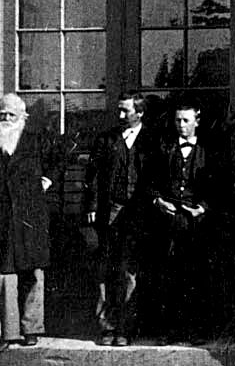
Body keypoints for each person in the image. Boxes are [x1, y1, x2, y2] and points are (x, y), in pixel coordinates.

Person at [0, 93, 61, 349]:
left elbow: (61, 158)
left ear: (23, 117)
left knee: (33, 272)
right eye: (3, 115)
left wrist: (48, 180)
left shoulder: (36, 141)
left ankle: (32, 328)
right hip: (1, 218)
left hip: (31, 216)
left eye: (12, 115)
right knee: (6, 274)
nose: (7, 119)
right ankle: (9, 332)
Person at [84, 91, 156, 346]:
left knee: (129, 271)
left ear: (140, 113)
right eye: (119, 110)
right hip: (110, 211)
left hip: (139, 215)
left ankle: (126, 327)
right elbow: (92, 175)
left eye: (126, 110)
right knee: (106, 269)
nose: (120, 114)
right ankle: (106, 326)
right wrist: (92, 204)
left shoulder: (152, 140)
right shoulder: (106, 140)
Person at [148, 100, 216, 346]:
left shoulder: (209, 151)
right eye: (177, 120)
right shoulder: (164, 150)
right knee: (167, 276)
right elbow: (150, 182)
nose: (181, 125)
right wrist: (158, 202)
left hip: (197, 224)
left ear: (196, 122)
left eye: (186, 120)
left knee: (196, 276)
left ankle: (196, 331)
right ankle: (169, 330)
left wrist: (203, 208)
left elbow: (218, 187)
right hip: (169, 222)